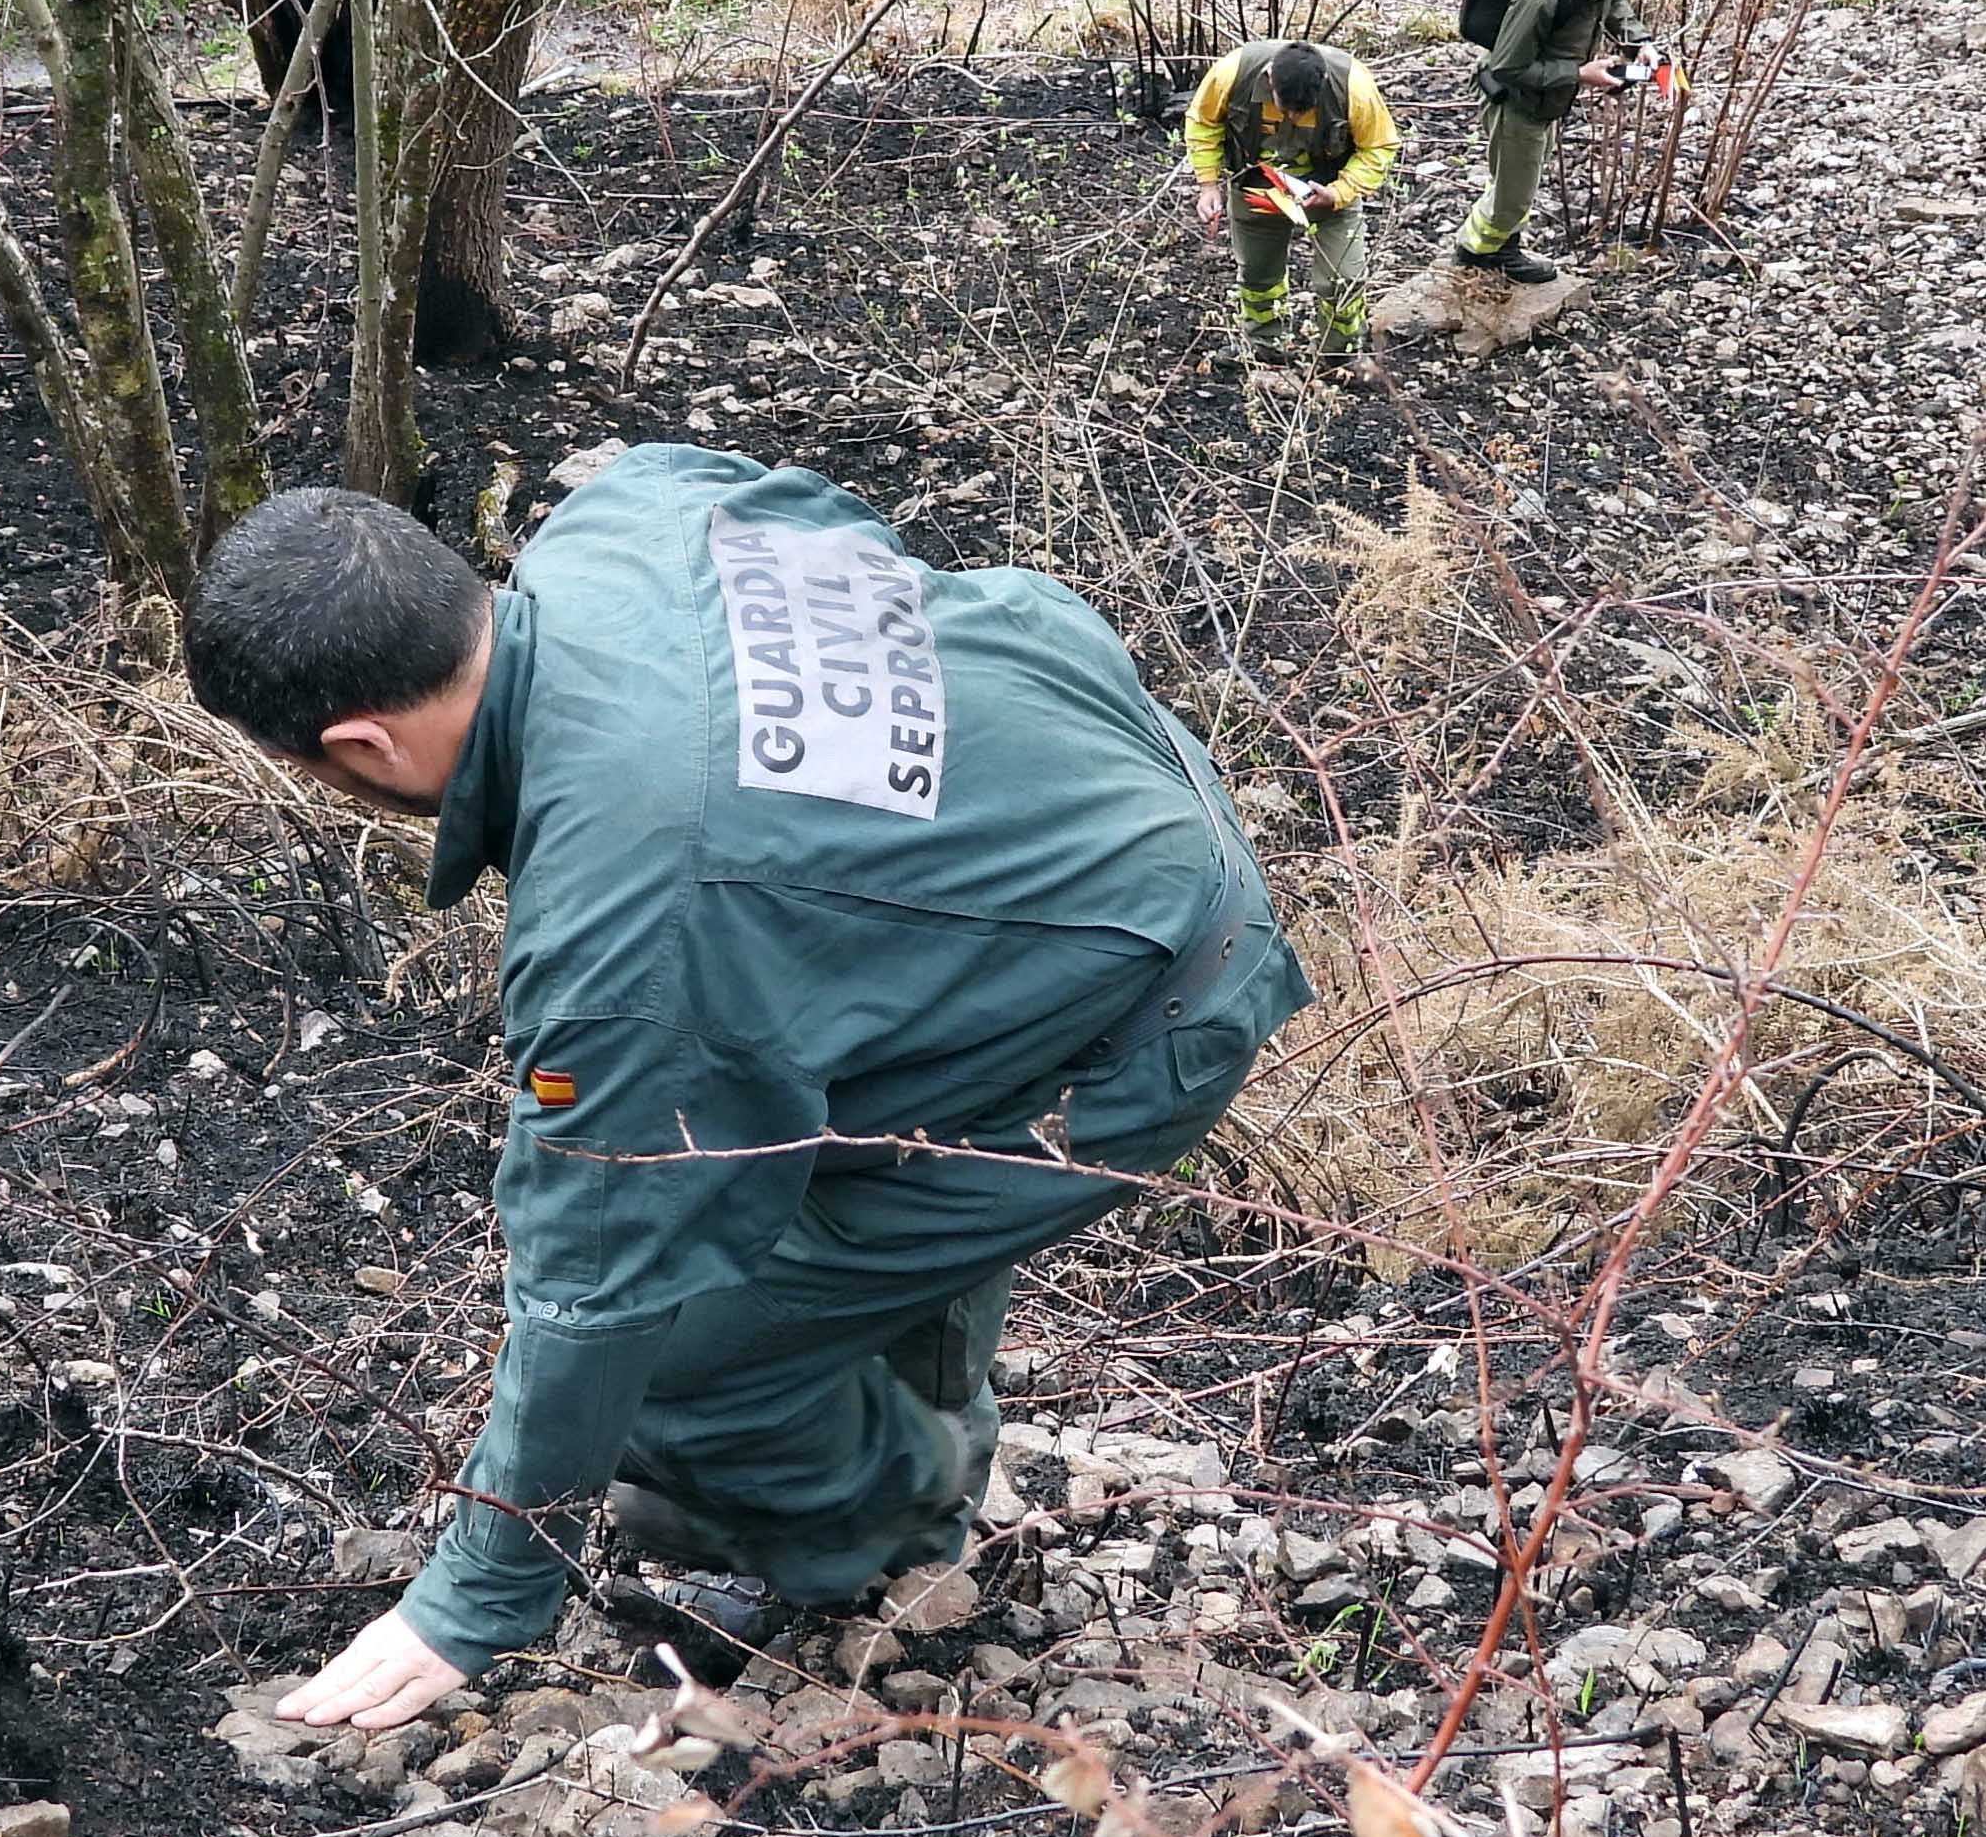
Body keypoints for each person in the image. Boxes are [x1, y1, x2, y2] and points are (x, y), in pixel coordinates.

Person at [187, 450, 1314, 1730]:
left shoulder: (638, 928)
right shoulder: (634, 508)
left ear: (362, 745)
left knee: (674, 1366)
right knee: (803, 1134)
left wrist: (477, 1594)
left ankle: (893, 1535)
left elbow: (603, 1284)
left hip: (1141, 1000)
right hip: (1090, 790)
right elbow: (853, 539)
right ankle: (908, 1427)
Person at [1457, 0, 1673, 286]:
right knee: (1512, 194)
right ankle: (1480, 253)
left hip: (1543, 100)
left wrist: (1640, 42)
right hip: (1515, 102)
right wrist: (1579, 74)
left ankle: (1498, 243)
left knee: (1518, 180)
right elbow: (1508, 66)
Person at [1182, 36, 1401, 361]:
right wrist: (1208, 184)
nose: (1296, 119)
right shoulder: (1232, 72)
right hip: (1256, 189)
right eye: (1289, 110)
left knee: (1343, 281)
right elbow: (1203, 123)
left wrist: (1339, 192)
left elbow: (1379, 146)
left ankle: (1339, 357)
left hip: (1328, 193)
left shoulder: (1353, 85)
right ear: (1269, 80)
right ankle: (1264, 347)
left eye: (1305, 112)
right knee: (1258, 276)